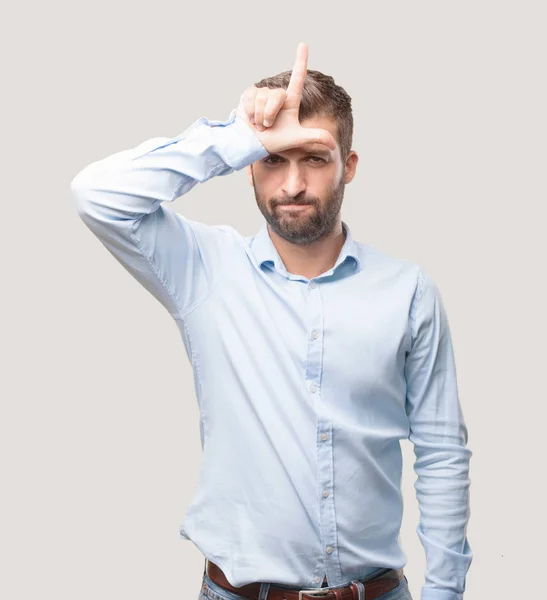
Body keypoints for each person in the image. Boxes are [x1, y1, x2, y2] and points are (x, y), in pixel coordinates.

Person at [71, 42, 472, 600]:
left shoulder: (408, 291)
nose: (291, 186)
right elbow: (97, 195)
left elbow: (441, 452)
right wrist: (235, 138)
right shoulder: (203, 269)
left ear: (348, 166)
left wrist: (447, 593)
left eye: (313, 157)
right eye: (272, 160)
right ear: (249, 167)